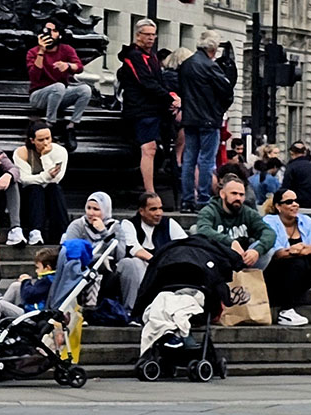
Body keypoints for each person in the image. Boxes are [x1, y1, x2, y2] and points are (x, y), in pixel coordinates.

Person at [176, 30, 237, 212]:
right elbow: (227, 91)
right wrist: (219, 110)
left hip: (190, 117)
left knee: (189, 159)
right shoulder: (210, 67)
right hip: (209, 118)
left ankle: (187, 200)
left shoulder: (186, 65)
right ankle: (203, 198)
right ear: (214, 47)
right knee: (206, 160)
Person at [262, 187, 311, 327]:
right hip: (274, 277)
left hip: (300, 276)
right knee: (296, 262)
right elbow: (278, 253)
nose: (295, 204)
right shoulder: (269, 222)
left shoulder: (306, 221)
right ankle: (285, 311)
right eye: (289, 201)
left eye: (296, 201)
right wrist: (304, 250)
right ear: (278, 207)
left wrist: (299, 250)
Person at [116, 18, 179, 193]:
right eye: (147, 35)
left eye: (153, 35)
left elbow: (157, 81)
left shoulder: (151, 56)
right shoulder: (134, 56)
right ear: (138, 36)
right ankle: (149, 190)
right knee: (148, 148)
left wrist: (171, 97)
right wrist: (169, 97)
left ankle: (151, 188)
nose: (151, 38)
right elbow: (146, 82)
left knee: (153, 148)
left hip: (152, 109)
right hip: (141, 109)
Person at [25, 15, 91, 151]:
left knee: (85, 89)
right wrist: (41, 51)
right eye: (47, 30)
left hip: (59, 95)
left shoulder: (66, 49)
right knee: (59, 87)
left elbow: (79, 67)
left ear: (59, 35)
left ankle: (71, 127)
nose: (49, 34)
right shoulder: (33, 52)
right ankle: (50, 125)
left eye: (53, 31)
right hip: (39, 96)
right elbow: (34, 76)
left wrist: (68, 65)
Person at [116, 191, 187, 311]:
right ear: (141, 211)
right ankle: (133, 310)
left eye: (160, 208)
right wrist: (156, 262)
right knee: (134, 263)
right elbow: (134, 248)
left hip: (164, 270)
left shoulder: (168, 223)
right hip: (141, 269)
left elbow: (184, 244)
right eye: (153, 209)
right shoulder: (129, 224)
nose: (159, 213)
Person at [0, 244, 60, 336]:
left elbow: (29, 296)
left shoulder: (47, 281)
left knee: (0, 305)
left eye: (38, 268)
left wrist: (26, 281)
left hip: (32, 317)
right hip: (31, 309)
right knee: (16, 286)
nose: (36, 271)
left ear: (47, 268)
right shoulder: (50, 278)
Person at [193, 176, 275, 268]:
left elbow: (269, 232)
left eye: (241, 195)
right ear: (222, 194)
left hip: (243, 259)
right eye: (234, 193)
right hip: (216, 258)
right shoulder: (209, 211)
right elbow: (203, 230)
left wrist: (257, 251)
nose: (238, 198)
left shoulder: (249, 213)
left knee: (268, 250)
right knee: (194, 230)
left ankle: (252, 279)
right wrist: (231, 242)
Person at [13, 121, 68, 246]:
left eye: (48, 138)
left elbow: (56, 178)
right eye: (41, 140)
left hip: (50, 198)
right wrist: (46, 176)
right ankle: (35, 231)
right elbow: (25, 179)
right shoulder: (21, 153)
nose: (46, 143)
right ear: (32, 140)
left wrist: (45, 156)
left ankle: (63, 232)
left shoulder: (60, 152)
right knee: (35, 188)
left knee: (54, 188)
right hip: (29, 199)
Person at [282, 142, 311, 210]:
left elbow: (286, 187)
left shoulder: (291, 167)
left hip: (298, 204)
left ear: (292, 152)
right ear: (304, 152)